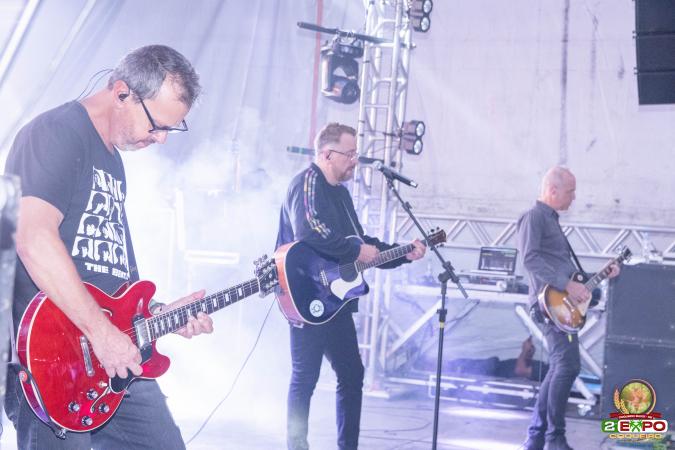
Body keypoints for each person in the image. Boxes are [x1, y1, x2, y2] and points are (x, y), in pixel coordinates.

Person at [4, 45, 213, 450]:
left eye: (170, 129)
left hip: (112, 355)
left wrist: (157, 314)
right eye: (157, 125)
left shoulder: (113, 160)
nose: (161, 139)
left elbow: (108, 272)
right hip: (53, 360)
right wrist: (101, 333)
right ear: (121, 93)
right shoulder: (56, 133)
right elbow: (33, 237)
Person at [276, 123, 426, 450]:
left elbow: (362, 244)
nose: (355, 161)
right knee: (305, 377)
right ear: (327, 154)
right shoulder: (306, 183)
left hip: (337, 300)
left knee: (352, 375)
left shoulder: (342, 195)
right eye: (349, 154)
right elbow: (310, 231)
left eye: (356, 154)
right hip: (306, 295)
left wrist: (403, 253)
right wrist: (355, 251)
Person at [517, 166, 619, 450]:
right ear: (552, 190)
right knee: (567, 365)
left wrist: (597, 277)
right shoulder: (534, 217)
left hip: (560, 305)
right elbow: (530, 259)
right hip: (549, 306)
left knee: (560, 367)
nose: (574, 197)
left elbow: (566, 272)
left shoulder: (551, 220)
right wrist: (566, 283)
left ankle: (536, 437)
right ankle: (554, 438)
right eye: (570, 191)